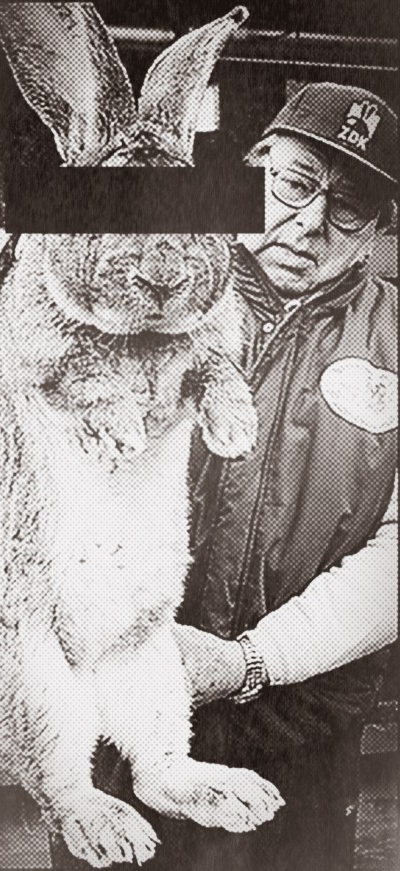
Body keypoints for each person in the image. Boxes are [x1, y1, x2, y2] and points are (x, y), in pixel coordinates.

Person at [50, 82, 397, 871]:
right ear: (252, 165)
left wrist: (249, 661)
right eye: (296, 183)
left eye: (349, 208)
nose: (311, 224)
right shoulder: (136, 288)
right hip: (122, 719)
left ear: (377, 228)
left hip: (299, 732)